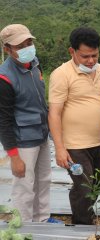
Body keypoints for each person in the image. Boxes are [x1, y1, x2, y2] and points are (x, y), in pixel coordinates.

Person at [48, 27, 100, 225]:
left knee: (97, 183)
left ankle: (87, 217)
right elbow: (54, 113)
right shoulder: (61, 74)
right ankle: (82, 226)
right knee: (84, 186)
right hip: (74, 145)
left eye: (95, 55)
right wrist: (60, 148)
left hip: (97, 141)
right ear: (72, 51)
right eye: (85, 56)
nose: (91, 61)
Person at [0, 24, 57, 223]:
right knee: (24, 187)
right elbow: (4, 121)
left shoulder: (34, 64)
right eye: (20, 45)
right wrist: (14, 157)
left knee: (43, 181)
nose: (27, 48)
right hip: (23, 141)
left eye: (29, 43)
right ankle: (23, 227)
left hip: (41, 134)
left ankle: (42, 221)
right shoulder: (4, 77)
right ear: (7, 48)